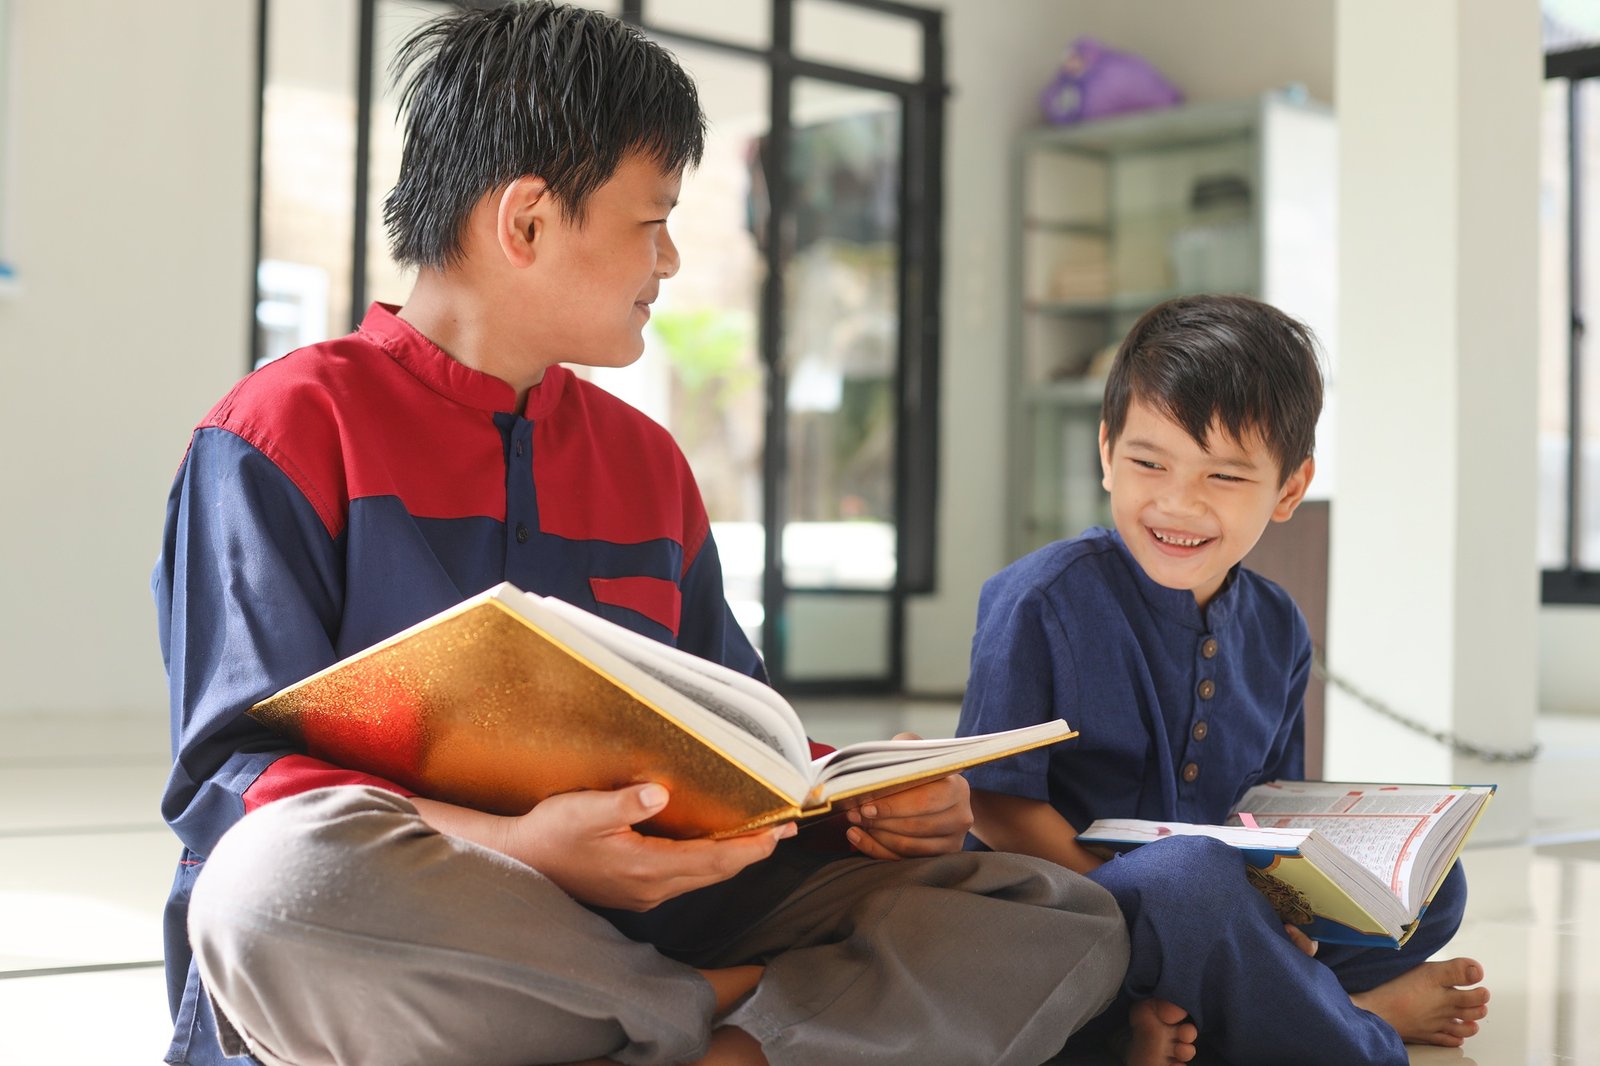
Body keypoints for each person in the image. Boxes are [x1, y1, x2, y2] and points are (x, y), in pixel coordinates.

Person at [153, 4, 1130, 1064]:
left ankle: (656, 1031)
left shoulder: (646, 463)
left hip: (658, 908)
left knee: (1054, 911)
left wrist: (875, 803)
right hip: (433, 915)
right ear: (524, 223)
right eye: (650, 220)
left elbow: (740, 740)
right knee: (275, 888)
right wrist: (525, 848)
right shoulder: (281, 432)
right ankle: (726, 1023)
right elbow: (231, 784)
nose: (668, 260)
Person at [956, 294, 1491, 1066]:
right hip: (1065, 913)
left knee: (1436, 883)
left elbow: (1268, 816)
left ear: (1288, 490)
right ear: (1106, 450)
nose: (1179, 502)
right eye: (1149, 462)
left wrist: (1289, 907)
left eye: (1225, 476)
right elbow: (998, 807)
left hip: (1214, 909)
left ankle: (1217, 1011)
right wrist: (1151, 899)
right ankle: (1356, 1029)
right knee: (1188, 884)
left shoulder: (1277, 626)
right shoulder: (1041, 599)